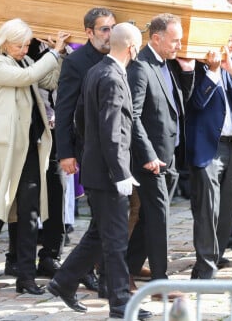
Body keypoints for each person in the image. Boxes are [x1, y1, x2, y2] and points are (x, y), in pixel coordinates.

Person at [47, 23, 152, 320]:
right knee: (116, 241)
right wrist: (120, 173)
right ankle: (120, 304)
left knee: (98, 235)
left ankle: (64, 282)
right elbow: (112, 131)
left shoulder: (97, 70)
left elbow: (81, 118)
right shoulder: (113, 77)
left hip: (97, 168)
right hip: (107, 174)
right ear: (132, 47)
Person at [0, 18, 64, 294]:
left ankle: (26, 276)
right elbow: (28, 78)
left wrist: (59, 54)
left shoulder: (24, 62)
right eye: (20, 44)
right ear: (4, 43)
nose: (25, 49)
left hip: (28, 147)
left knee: (29, 213)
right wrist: (53, 53)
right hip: (4, 147)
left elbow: (48, 79)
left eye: (26, 44)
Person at [185, 21, 232, 280]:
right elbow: (196, 102)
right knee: (208, 209)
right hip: (209, 147)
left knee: (228, 212)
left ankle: (213, 260)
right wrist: (214, 73)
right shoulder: (199, 65)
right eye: (229, 37)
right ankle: (205, 268)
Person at [125, 13, 194, 297]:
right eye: (174, 40)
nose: (179, 45)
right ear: (156, 38)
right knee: (159, 218)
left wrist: (188, 72)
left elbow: (175, 107)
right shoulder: (141, 67)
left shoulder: (166, 64)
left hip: (168, 156)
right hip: (150, 160)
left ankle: (121, 270)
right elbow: (134, 116)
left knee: (148, 220)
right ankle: (160, 284)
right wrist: (149, 155)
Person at [54, 7, 118, 296]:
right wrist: (65, 153)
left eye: (113, 28)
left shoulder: (119, 56)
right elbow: (65, 108)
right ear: (89, 32)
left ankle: (99, 277)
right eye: (104, 29)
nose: (110, 34)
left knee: (107, 222)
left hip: (117, 150)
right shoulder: (77, 62)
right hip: (90, 149)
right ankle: (85, 275)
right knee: (103, 221)